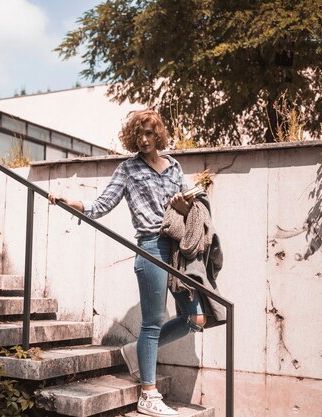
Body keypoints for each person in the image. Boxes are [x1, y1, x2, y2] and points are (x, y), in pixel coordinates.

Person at [48, 109, 207, 417]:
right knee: (152, 322)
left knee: (195, 319)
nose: (144, 139)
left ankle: (136, 351)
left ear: (158, 134)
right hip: (150, 248)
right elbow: (101, 204)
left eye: (149, 133)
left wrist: (185, 205)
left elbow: (189, 208)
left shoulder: (173, 166)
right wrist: (73, 202)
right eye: (138, 135)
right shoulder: (128, 169)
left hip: (178, 248)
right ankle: (148, 394)